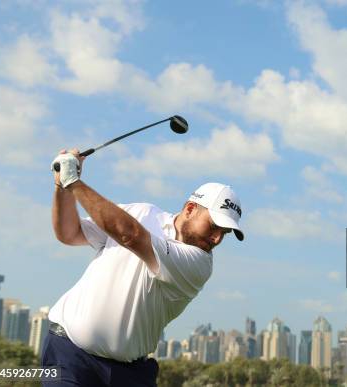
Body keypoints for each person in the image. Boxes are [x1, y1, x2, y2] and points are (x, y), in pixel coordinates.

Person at [42, 148, 244, 386]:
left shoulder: (199, 263)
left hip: (130, 374)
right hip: (68, 355)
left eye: (225, 233)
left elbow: (131, 236)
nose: (217, 239)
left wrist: (74, 181)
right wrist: (61, 186)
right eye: (213, 227)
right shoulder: (142, 212)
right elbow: (69, 233)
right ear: (190, 209)